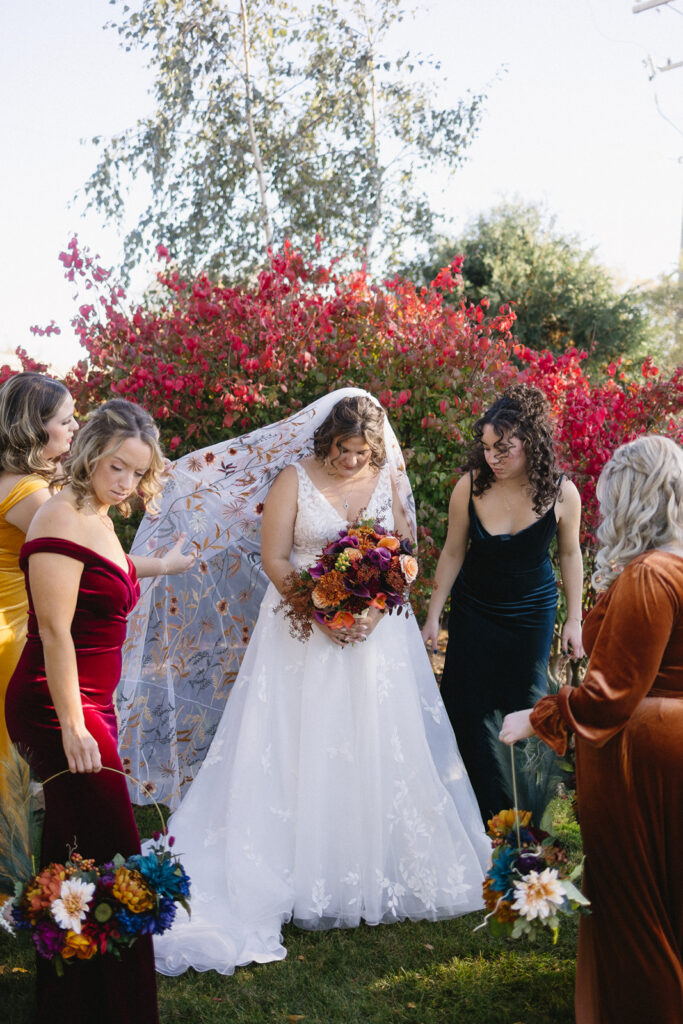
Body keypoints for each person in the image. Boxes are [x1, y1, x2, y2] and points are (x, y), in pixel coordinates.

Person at [119, 388, 491, 977]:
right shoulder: (294, 478)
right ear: (326, 441)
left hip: (377, 639)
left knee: (377, 741)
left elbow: (401, 552)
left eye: (363, 451)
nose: (352, 461)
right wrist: (323, 606)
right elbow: (275, 558)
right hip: (300, 631)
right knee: (299, 741)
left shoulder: (386, 477)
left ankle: (375, 865)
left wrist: (371, 606)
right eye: (343, 449)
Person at [5, 398, 194, 1024]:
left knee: (75, 853)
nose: (126, 482)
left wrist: (165, 564)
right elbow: (55, 633)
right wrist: (74, 724)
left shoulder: (97, 514)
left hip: (90, 706)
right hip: (57, 704)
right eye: (117, 467)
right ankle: (119, 1005)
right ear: (90, 452)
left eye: (137, 473)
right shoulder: (58, 515)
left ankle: (71, 1001)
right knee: (116, 850)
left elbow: (114, 571)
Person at [500, 434, 683, 1024]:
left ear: (633, 498)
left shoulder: (651, 576)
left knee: (636, 907)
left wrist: (536, 716)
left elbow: (610, 696)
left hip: (643, 756)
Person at [421, 384, 584, 823]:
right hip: (474, 613)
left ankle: (525, 822)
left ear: (531, 443)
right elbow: (453, 552)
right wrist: (434, 616)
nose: (493, 457)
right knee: (467, 708)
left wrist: (575, 619)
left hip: (532, 615)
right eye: (489, 447)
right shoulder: (469, 487)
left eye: (504, 448)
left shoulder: (563, 493)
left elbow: (569, 554)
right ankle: (466, 817)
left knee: (526, 707)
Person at [0, 372, 78, 796]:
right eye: (65, 421)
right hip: (10, 631)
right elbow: (88, 555)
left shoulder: (18, 480)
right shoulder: (29, 492)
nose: (75, 428)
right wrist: (164, 563)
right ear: (33, 427)